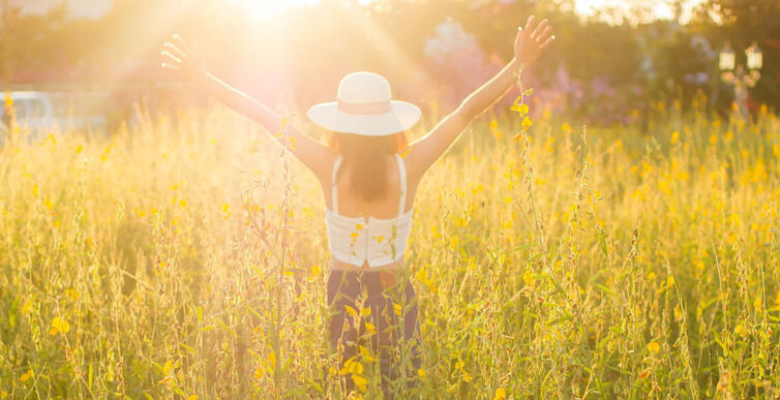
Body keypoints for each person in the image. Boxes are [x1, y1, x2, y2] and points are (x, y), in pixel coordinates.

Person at [161, 15, 554, 398]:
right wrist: (518, 64)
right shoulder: (409, 166)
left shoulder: (327, 165)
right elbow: (465, 112)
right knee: (402, 388)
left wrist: (202, 77)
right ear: (390, 122)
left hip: (342, 291)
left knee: (347, 390)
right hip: (393, 289)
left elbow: (262, 115)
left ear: (340, 123)